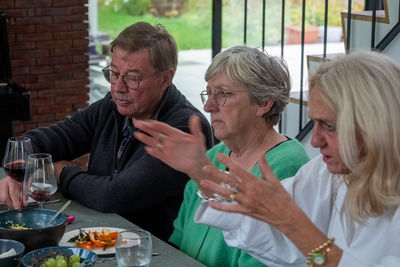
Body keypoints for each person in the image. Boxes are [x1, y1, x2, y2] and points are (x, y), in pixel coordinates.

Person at [0, 22, 213, 241]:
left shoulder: (184, 127)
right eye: (114, 73)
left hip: (154, 252)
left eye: (132, 78)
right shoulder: (111, 106)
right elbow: (46, 140)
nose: (118, 87)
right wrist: (18, 173)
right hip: (102, 237)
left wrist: (60, 172)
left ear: (165, 78)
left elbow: (116, 195)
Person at [194, 50, 400, 266]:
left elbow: (297, 232)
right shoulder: (329, 171)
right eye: (314, 124)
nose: (315, 141)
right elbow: (273, 235)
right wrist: (200, 171)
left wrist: (293, 224)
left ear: (374, 126)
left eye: (329, 126)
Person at [134, 45, 310, 267]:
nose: (208, 106)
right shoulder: (214, 155)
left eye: (223, 94)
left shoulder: (287, 166)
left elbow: (267, 258)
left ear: (263, 103)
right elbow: (177, 242)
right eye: (209, 93)